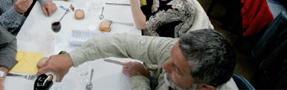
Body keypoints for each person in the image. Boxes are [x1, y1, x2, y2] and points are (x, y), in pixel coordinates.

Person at [37, 29, 237, 90]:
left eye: (176, 68)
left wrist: (139, 79)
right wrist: (72, 58)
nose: (164, 65)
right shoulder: (179, 51)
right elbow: (122, 42)